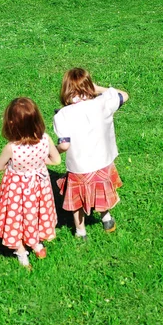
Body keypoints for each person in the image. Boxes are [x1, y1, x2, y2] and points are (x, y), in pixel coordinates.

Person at [53, 68, 129, 240]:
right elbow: (124, 95)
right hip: (103, 162)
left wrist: (52, 152)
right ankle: (107, 220)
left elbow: (64, 145)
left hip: (79, 167)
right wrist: (99, 89)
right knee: (100, 190)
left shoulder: (62, 115)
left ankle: (81, 232)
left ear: (66, 91)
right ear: (90, 88)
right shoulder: (102, 104)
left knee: (77, 200)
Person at [0, 97, 61, 270]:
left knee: (16, 218)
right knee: (34, 213)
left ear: (11, 124)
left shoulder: (11, 148)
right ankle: (36, 244)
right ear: (36, 120)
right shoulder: (45, 139)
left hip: (16, 189)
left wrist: (12, 166)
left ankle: (22, 253)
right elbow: (56, 160)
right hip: (38, 186)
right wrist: (40, 163)